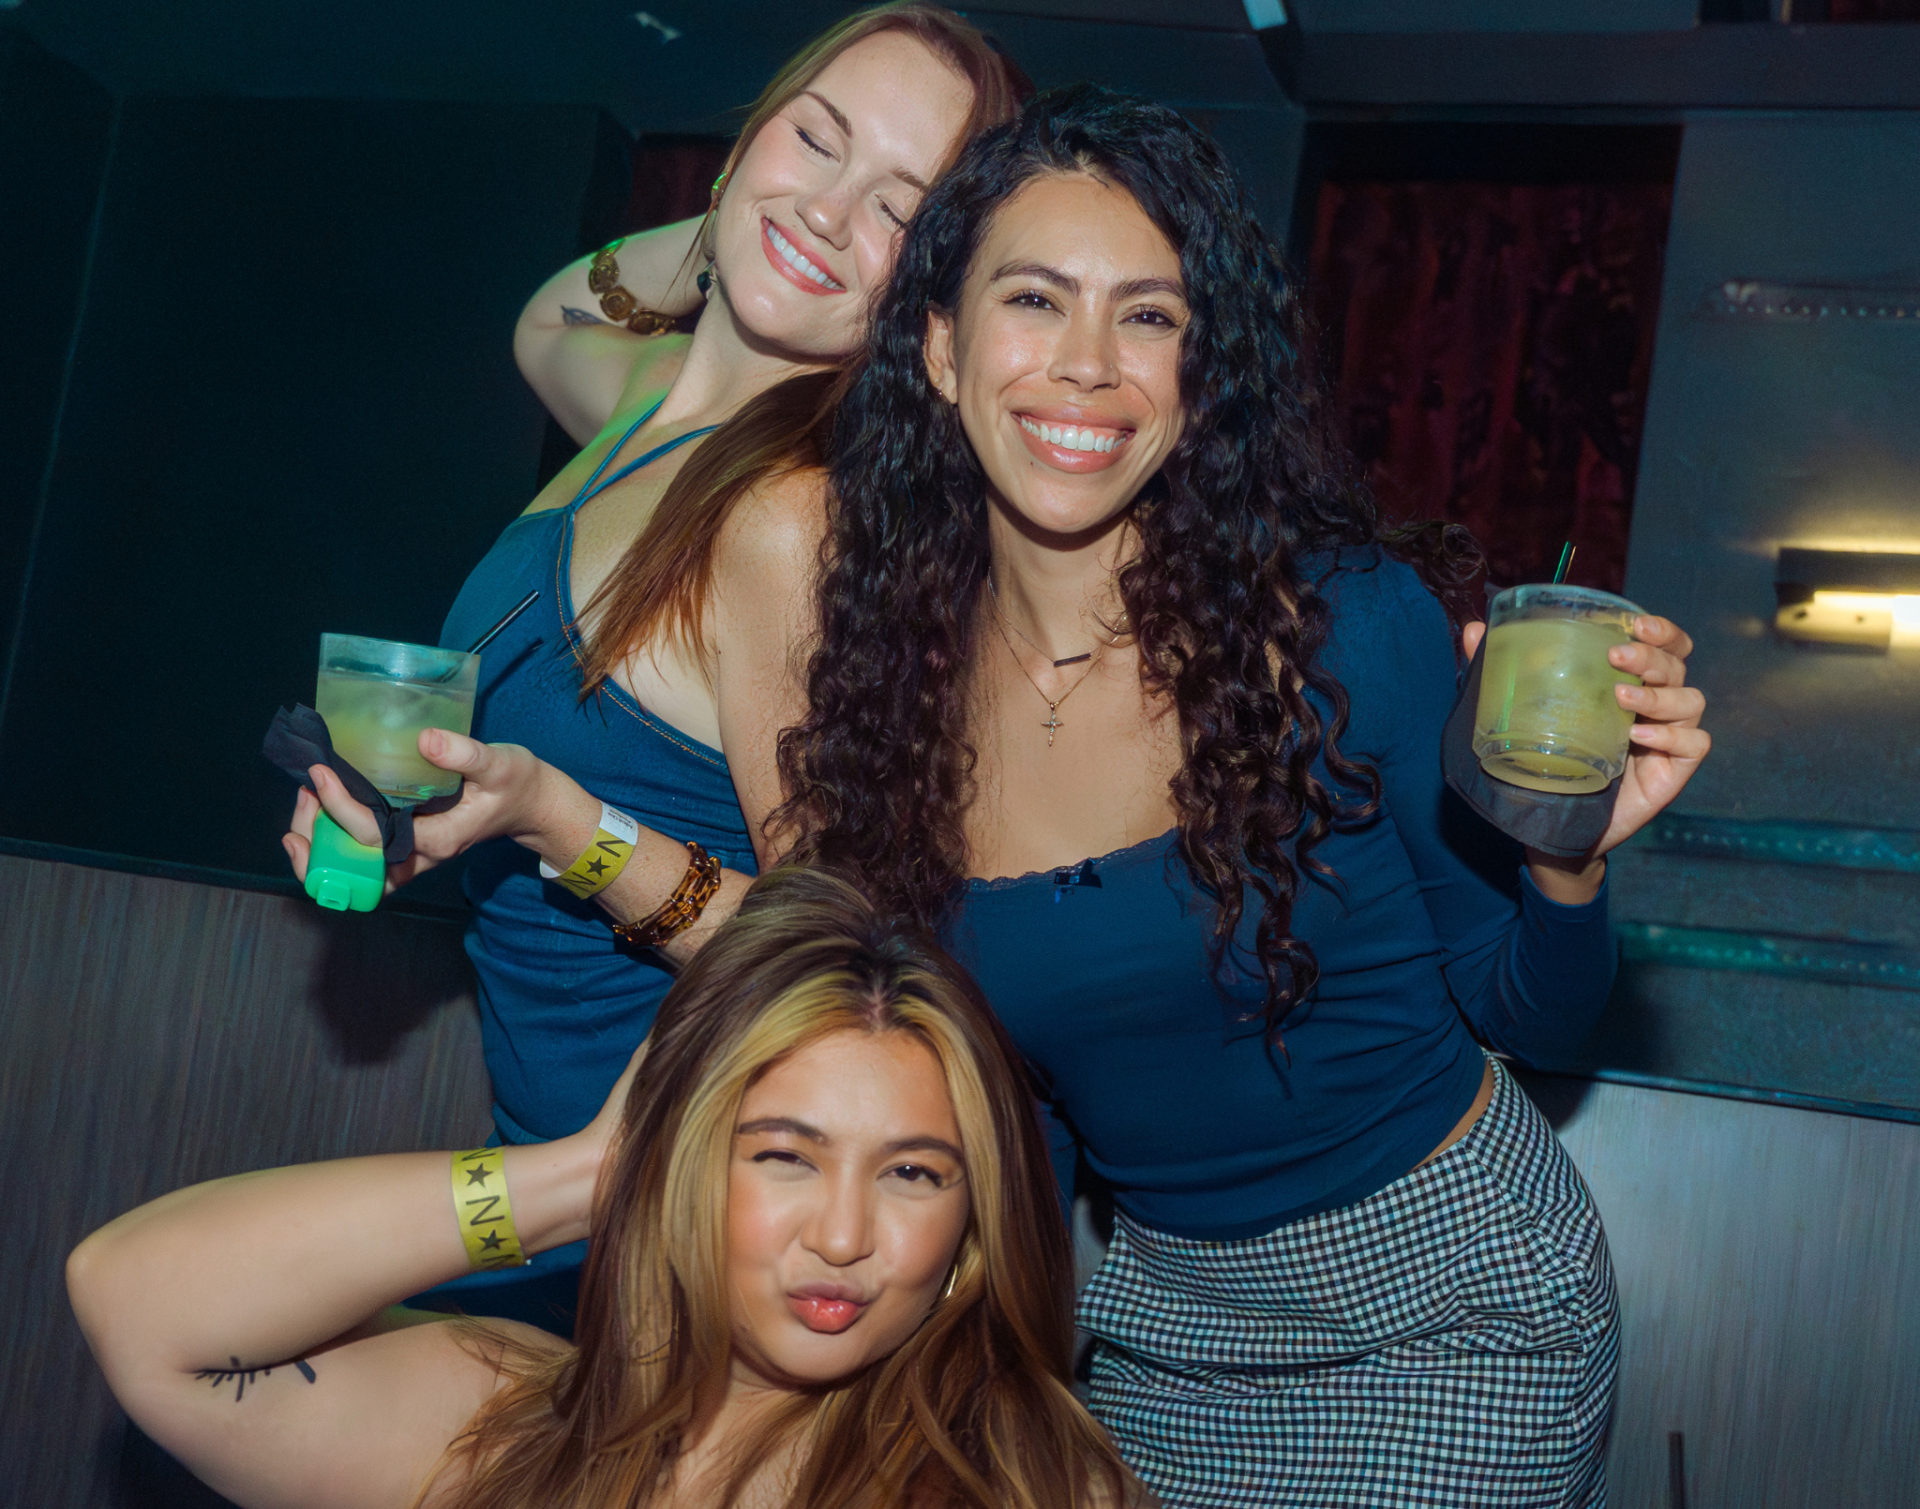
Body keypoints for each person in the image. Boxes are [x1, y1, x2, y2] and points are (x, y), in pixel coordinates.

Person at [762, 87, 1714, 1506]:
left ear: (1200, 376)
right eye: (1035, 300)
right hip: (1160, 1330)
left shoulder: (1346, 629)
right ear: (943, 349)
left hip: (1457, 1308)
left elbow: (1532, 1014)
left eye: (1148, 316)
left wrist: (1566, 861)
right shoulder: (892, 701)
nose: (1089, 366)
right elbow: (1027, 1110)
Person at [282, 7, 1028, 1169]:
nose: (831, 210)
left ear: (932, 296)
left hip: (681, 1193)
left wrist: (555, 818)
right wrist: (754, 209)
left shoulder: (788, 522)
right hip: (547, 1154)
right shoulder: (647, 396)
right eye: (815, 136)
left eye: (899, 210)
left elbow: (836, 969)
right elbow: (551, 319)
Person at [67, 869, 1141, 1509]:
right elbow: (136, 1300)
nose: (844, 1234)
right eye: (783, 1155)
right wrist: (585, 1177)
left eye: (911, 1173)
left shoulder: (1034, 1486)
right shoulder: (510, 1428)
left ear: (969, 1229)